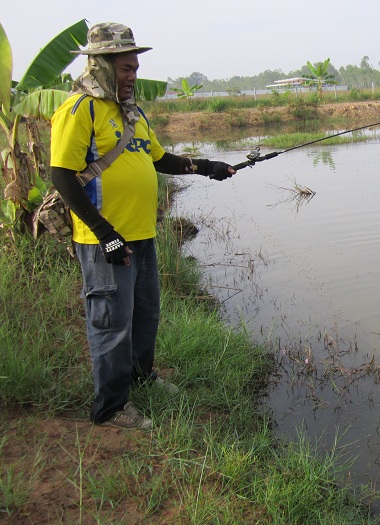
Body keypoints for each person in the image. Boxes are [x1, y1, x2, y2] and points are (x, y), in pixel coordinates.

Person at [50, 22, 235, 430]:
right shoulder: (80, 109)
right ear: (99, 66)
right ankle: (111, 407)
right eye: (124, 69)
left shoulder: (130, 112)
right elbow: (62, 176)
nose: (132, 76)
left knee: (146, 313)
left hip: (142, 234)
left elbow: (159, 159)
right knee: (111, 322)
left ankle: (140, 375)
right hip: (106, 241)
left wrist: (208, 167)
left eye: (135, 68)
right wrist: (105, 233)